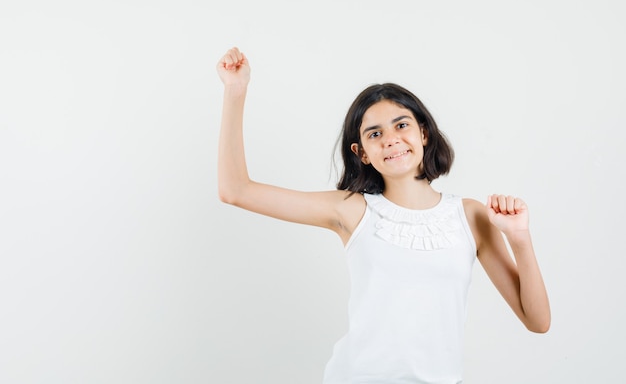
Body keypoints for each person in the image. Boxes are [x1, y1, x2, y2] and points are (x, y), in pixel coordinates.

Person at [216, 47, 550, 384]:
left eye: (401, 125)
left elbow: (538, 322)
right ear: (361, 153)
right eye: (374, 134)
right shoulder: (351, 210)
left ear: (423, 133)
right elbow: (236, 190)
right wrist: (236, 90)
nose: (391, 140)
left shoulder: (471, 216)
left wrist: (520, 239)